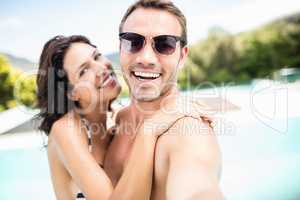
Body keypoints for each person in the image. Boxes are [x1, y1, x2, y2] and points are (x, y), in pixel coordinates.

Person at [36, 35, 188, 199]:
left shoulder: (118, 122)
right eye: (84, 70)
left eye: (97, 56)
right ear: (71, 93)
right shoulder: (65, 129)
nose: (101, 68)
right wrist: (148, 132)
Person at [103, 0, 224, 199]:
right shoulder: (117, 120)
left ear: (182, 56)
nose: (146, 58)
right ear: (120, 48)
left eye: (164, 44)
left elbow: (197, 186)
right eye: (133, 41)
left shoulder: (189, 134)